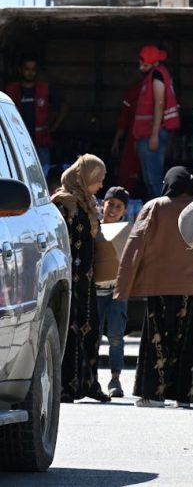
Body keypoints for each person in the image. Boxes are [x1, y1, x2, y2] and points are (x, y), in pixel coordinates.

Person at [115, 166, 193, 408]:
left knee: (157, 340)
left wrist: (122, 287)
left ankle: (154, 394)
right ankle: (186, 395)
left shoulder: (155, 207)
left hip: (158, 288)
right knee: (189, 341)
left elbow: (134, 246)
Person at [52, 154, 110, 403]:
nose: (100, 185)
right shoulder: (62, 203)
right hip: (68, 278)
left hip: (85, 281)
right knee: (70, 330)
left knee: (90, 328)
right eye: (97, 180)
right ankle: (67, 386)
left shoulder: (88, 202)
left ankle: (89, 383)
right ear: (83, 178)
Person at [132, 45, 180, 199]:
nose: (141, 67)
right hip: (145, 134)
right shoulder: (153, 74)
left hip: (152, 134)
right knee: (149, 179)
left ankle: (160, 212)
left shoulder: (157, 75)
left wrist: (154, 135)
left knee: (154, 179)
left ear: (153, 63)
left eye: (144, 65)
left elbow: (159, 103)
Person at [5, 54, 67, 171]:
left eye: (33, 70)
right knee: (18, 173)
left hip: (41, 142)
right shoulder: (11, 89)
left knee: (42, 174)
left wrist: (54, 126)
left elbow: (63, 107)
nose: (30, 73)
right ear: (20, 70)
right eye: (27, 69)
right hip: (17, 142)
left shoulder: (45, 89)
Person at [97, 186, 130, 398]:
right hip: (96, 291)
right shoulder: (93, 228)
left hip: (117, 292)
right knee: (93, 336)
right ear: (103, 204)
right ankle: (91, 378)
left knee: (116, 335)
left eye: (118, 207)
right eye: (110, 204)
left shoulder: (126, 232)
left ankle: (115, 378)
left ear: (124, 211)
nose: (113, 209)